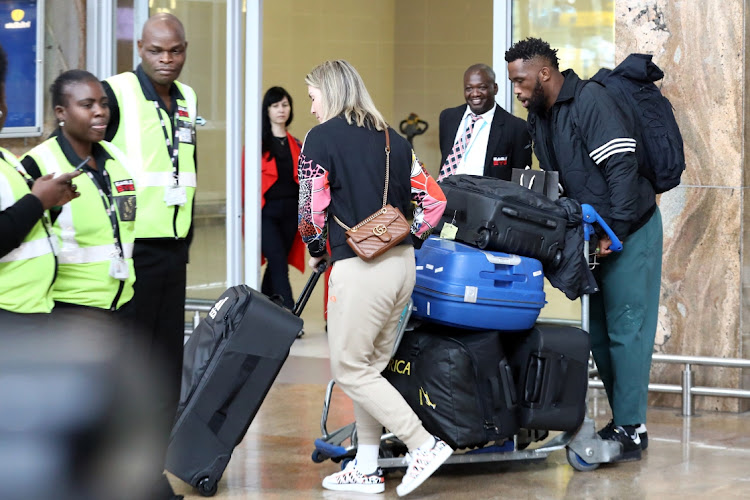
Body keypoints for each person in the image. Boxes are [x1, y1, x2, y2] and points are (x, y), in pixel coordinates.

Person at [505, 38, 663, 462]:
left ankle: (633, 427)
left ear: (543, 73)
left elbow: (622, 168)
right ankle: (624, 420)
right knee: (597, 336)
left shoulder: (591, 99)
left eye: (520, 81)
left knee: (627, 330)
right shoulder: (540, 116)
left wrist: (620, 231)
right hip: (592, 234)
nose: (516, 90)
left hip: (631, 228)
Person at [299, 59, 449, 497]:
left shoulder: (319, 140)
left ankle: (422, 445)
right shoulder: (394, 141)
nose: (311, 108)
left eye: (312, 97)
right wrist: (407, 238)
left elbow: (310, 214)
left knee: (350, 369)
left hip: (359, 270)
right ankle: (366, 467)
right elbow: (434, 202)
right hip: (402, 268)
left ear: (330, 92)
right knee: (371, 370)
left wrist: (316, 251)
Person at [101, 12, 195, 500]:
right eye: (157, 51)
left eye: (175, 50)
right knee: (131, 371)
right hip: (132, 254)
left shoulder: (187, 98)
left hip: (173, 253)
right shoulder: (115, 92)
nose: (166, 60)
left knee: (164, 368)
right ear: (140, 48)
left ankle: (150, 474)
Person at [20, 70, 137, 324]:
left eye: (103, 104)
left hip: (122, 305)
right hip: (70, 310)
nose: (100, 112)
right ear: (61, 112)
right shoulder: (38, 164)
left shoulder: (117, 158)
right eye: (87, 105)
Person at [0, 44, 80, 325]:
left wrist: (51, 204)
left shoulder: (7, 157)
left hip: (31, 310)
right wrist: (38, 202)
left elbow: (20, 220)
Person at [437, 63, 532, 181]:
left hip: (487, 198)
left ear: (495, 88)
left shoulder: (516, 127)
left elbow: (520, 179)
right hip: (447, 194)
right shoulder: (448, 118)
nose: (475, 93)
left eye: (482, 87)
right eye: (469, 88)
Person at [259, 86, 304, 309]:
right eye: (275, 105)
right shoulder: (258, 145)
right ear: (267, 110)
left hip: (291, 213)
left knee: (277, 264)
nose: (280, 110)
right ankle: (290, 312)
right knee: (278, 263)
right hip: (267, 214)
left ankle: (257, 306)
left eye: (284, 105)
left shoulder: (297, 145)